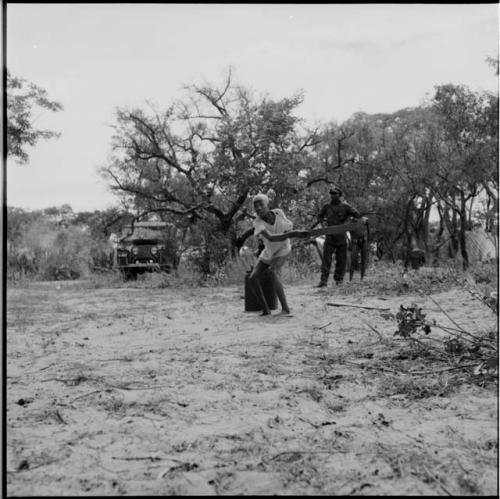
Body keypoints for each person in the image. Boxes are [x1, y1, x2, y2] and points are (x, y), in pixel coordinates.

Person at [249, 193, 295, 316]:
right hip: (269, 251)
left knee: (272, 271)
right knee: (253, 278)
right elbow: (270, 237)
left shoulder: (279, 213)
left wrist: (292, 232)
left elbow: (288, 226)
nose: (258, 208)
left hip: (283, 248)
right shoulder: (257, 222)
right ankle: (266, 309)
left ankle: (285, 308)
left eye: (261, 204)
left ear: (267, 204)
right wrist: (290, 234)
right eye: (255, 206)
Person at [314, 187, 362, 287]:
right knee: (326, 259)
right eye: (331, 193)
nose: (332, 195)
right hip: (330, 236)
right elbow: (320, 216)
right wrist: (321, 221)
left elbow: (356, 214)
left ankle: (339, 281)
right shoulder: (327, 206)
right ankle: (323, 281)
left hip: (341, 236)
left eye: (335, 193)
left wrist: (356, 219)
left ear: (339, 195)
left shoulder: (345, 206)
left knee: (341, 260)